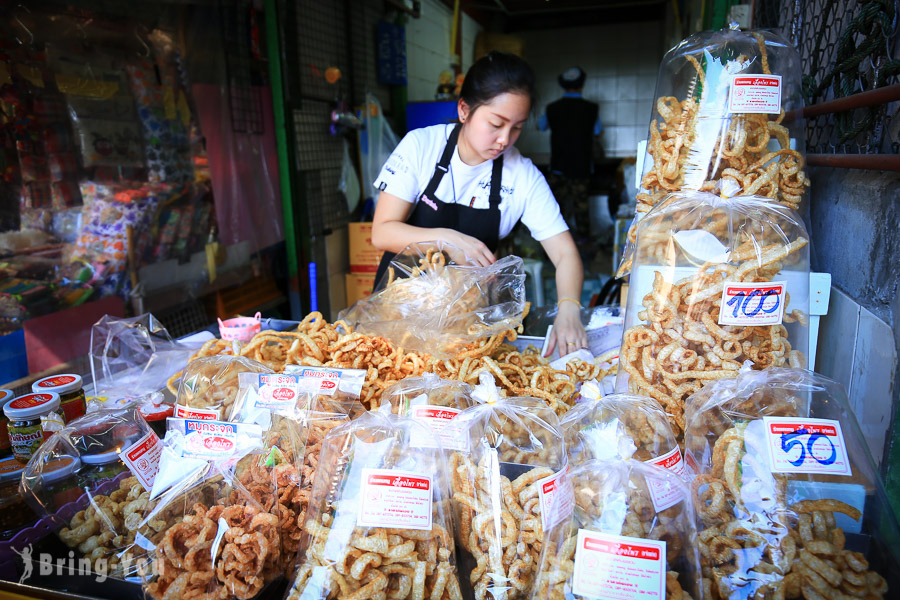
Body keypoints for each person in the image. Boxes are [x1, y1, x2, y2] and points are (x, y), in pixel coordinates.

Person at [371, 51, 588, 356]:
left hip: (466, 330)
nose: (504, 140)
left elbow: (566, 254)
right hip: (397, 319)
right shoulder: (421, 146)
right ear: (464, 110)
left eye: (516, 127)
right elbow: (382, 232)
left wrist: (569, 310)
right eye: (496, 123)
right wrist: (447, 239)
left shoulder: (522, 176)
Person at [537, 67, 602, 240]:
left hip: (559, 165)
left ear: (563, 85)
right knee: (581, 206)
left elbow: (540, 126)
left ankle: (555, 244)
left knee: (556, 207)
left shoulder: (552, 108)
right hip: (581, 166)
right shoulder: (591, 108)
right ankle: (583, 241)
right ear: (582, 85)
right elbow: (598, 131)